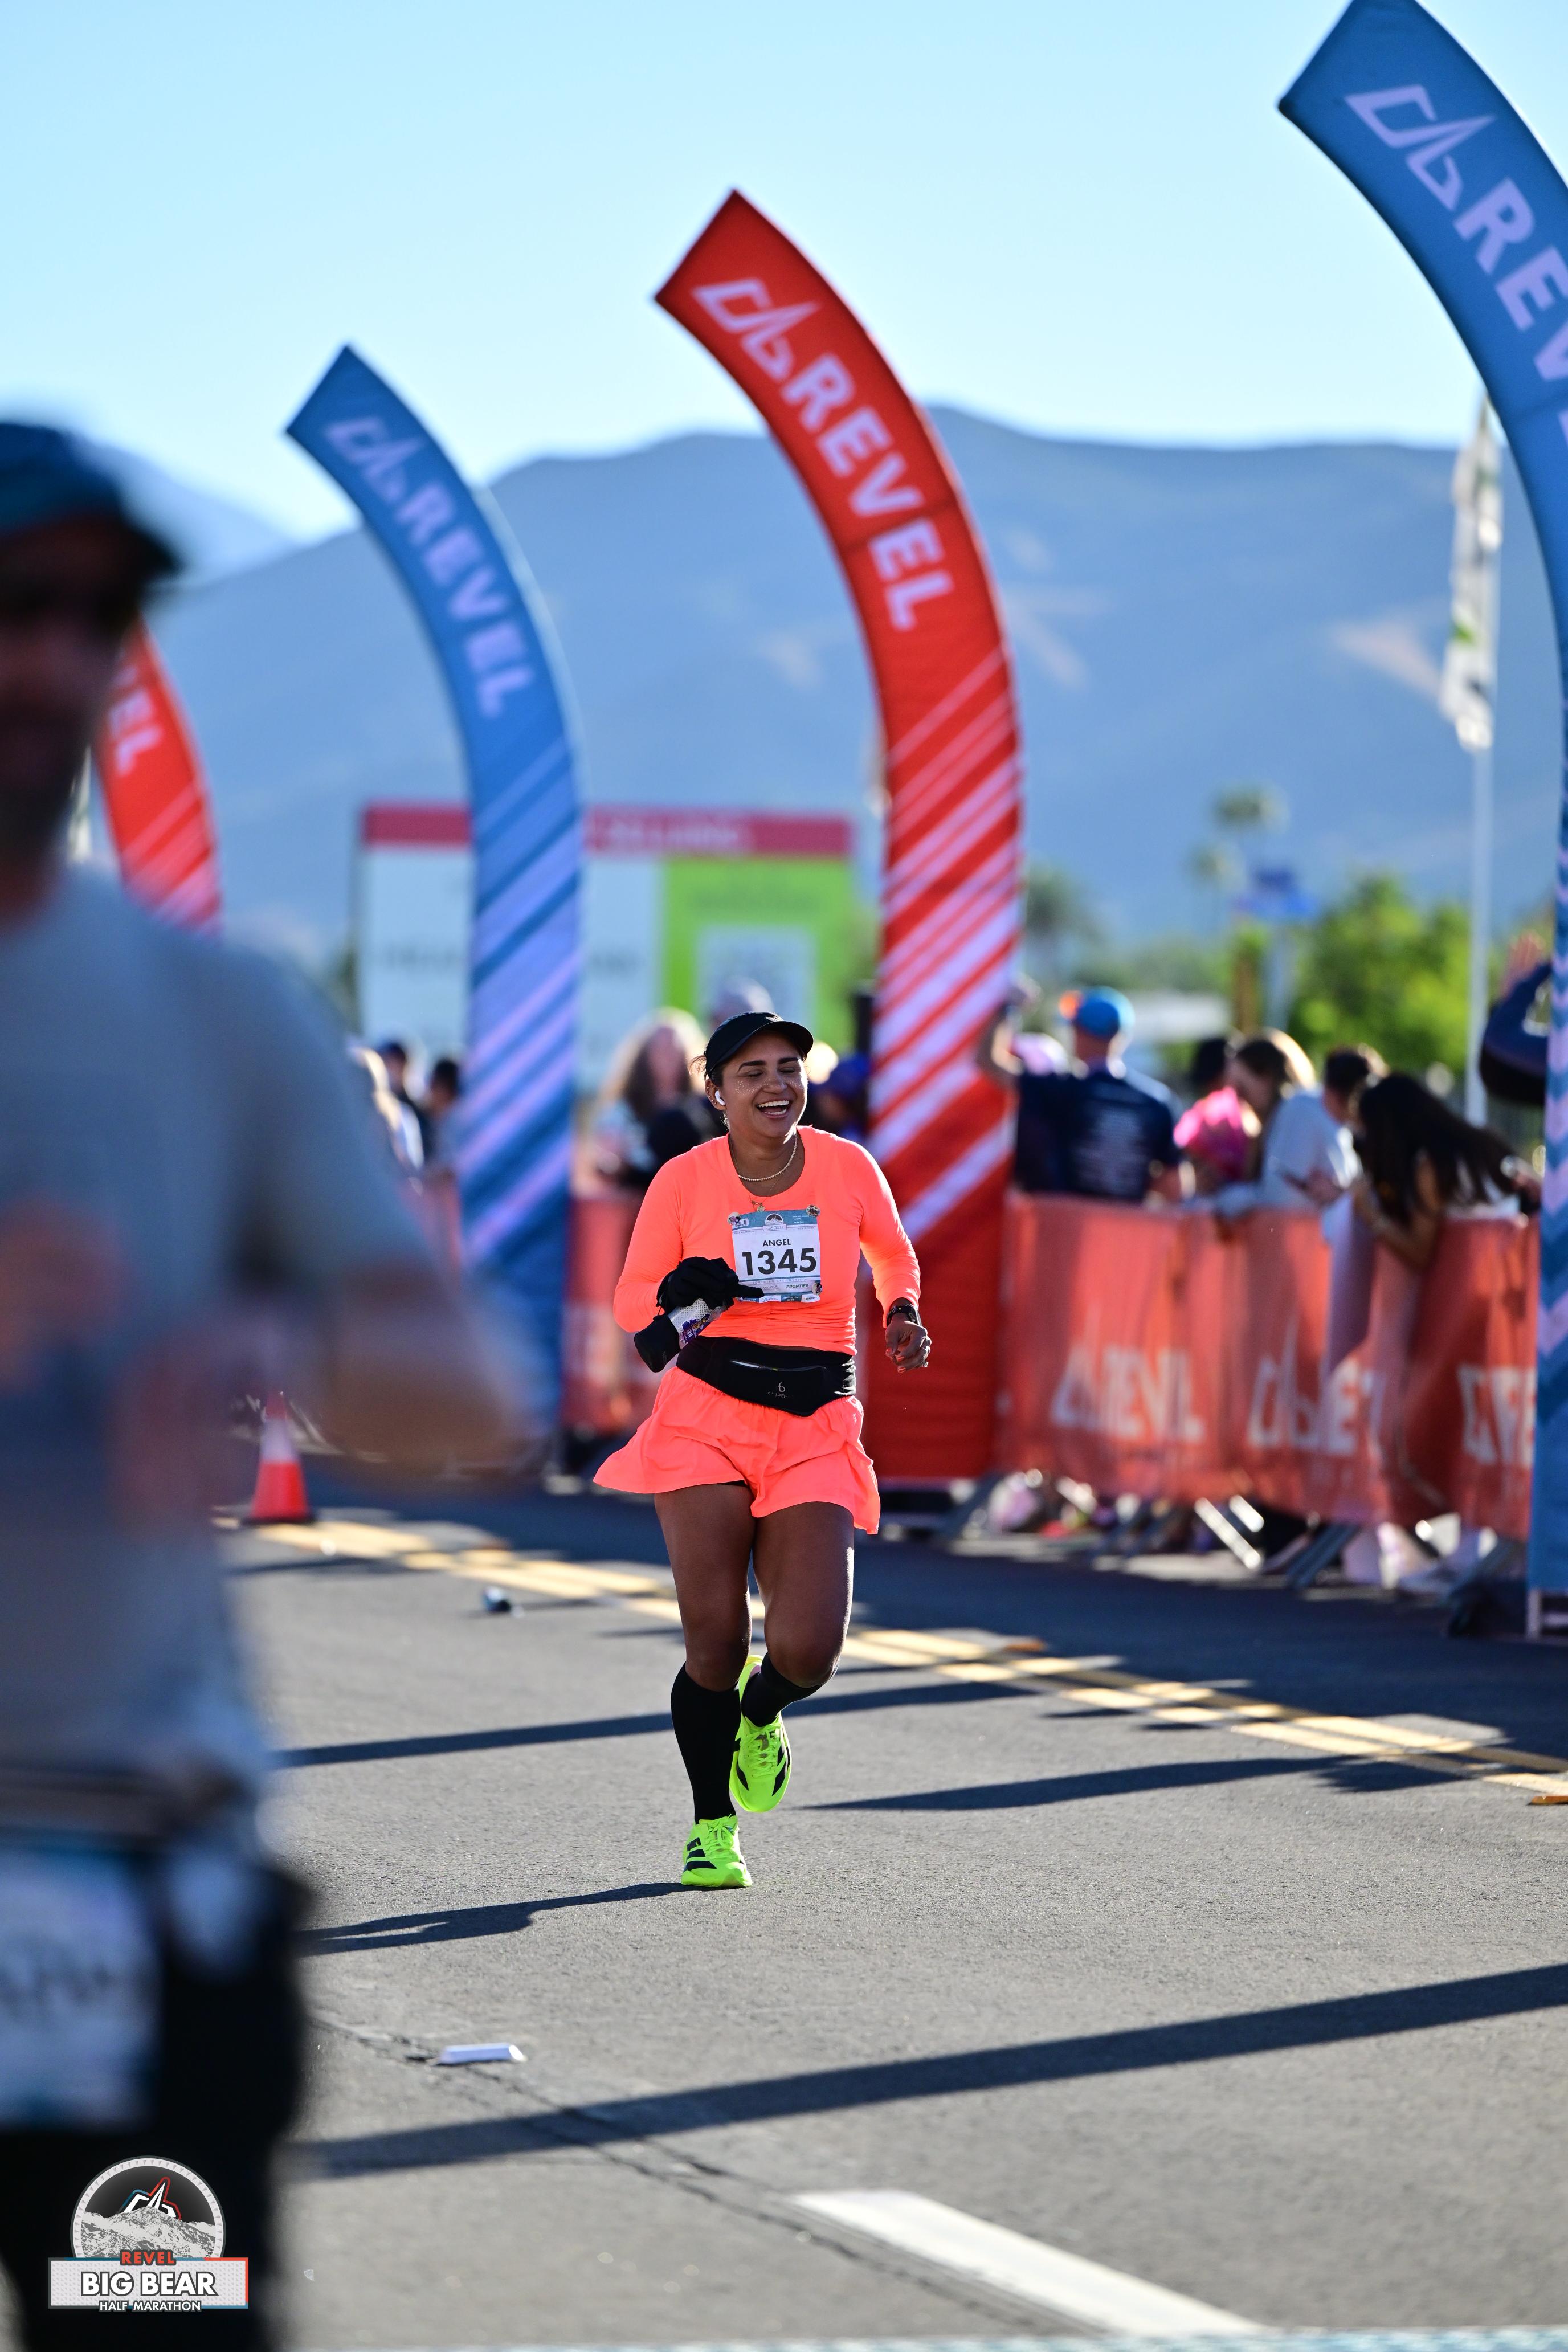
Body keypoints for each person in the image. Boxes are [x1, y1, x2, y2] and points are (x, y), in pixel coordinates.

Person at [0, 424, 526, 2349]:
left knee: (152, 2334)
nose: (60, 658)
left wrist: (289, 1347)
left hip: (129, 1921)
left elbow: (477, 1390)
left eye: (102, 614)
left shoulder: (213, 1018)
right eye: (16, 605)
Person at [595, 1009, 930, 1890]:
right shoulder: (684, 1179)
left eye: (789, 1067)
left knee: (810, 1648)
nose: (777, 1085)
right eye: (753, 1072)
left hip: (815, 1419)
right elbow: (633, 1306)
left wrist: (901, 1313)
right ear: (717, 1093)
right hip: (707, 1415)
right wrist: (678, 1296)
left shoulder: (847, 1166)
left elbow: (893, 1256)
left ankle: (762, 1709)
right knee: (714, 1641)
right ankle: (713, 1826)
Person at [979, 985, 1182, 1203]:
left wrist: (1008, 1008)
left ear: (1078, 1032)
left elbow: (989, 1061)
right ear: (1123, 1036)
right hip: (1123, 1223)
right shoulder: (1157, 1102)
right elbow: (1176, 1189)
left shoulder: (1057, 1089)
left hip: (1060, 1220)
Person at [1353, 1071, 1536, 1272]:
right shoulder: (1480, 1141)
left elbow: (1419, 1254)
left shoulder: (1431, 1167)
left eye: (1368, 1132)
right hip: (1512, 1274)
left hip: (1479, 1279)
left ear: (1387, 1131)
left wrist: (1372, 1215)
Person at [1207, 1031, 1357, 1219]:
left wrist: (1225, 1200)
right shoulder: (1291, 1111)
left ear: (1266, 1079)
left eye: (1241, 1088)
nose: (1237, 1098)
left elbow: (1280, 1198)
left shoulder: (1298, 1110)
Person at [590, 1007, 718, 1191]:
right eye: (659, 1049)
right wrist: (613, 1162)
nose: (666, 1056)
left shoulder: (704, 1109)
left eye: (673, 1049)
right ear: (644, 1055)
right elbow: (604, 1167)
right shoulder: (623, 1111)